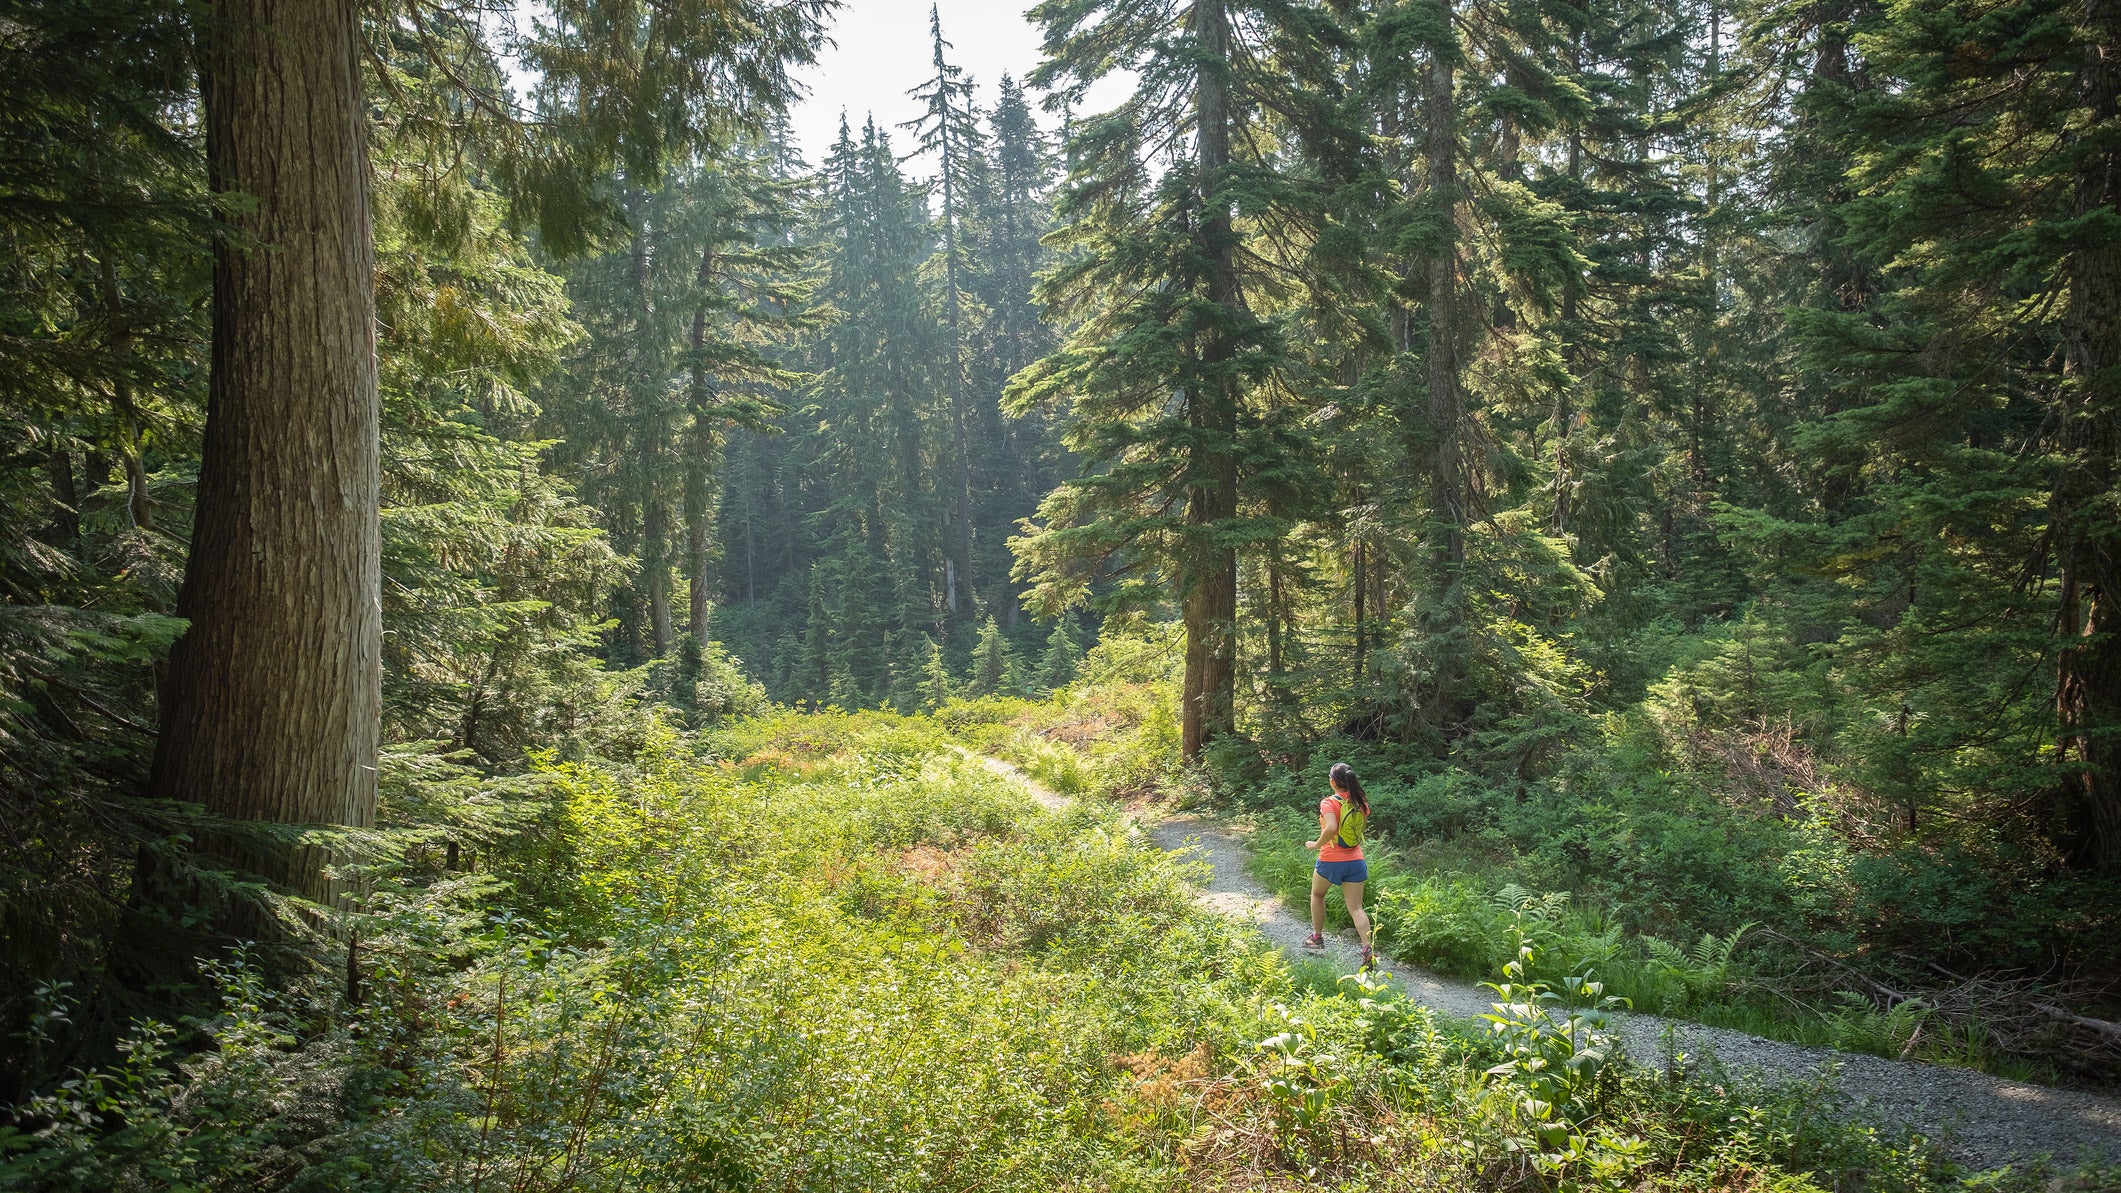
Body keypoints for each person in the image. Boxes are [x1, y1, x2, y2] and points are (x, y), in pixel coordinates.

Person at [1304, 761, 1375, 970]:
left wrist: (1315, 844)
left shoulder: (1329, 802)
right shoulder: (1360, 802)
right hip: (1355, 859)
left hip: (1331, 859)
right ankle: (1367, 949)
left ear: (1333, 782)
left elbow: (1332, 827)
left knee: (1317, 895)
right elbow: (1361, 827)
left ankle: (1317, 938)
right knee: (1356, 908)